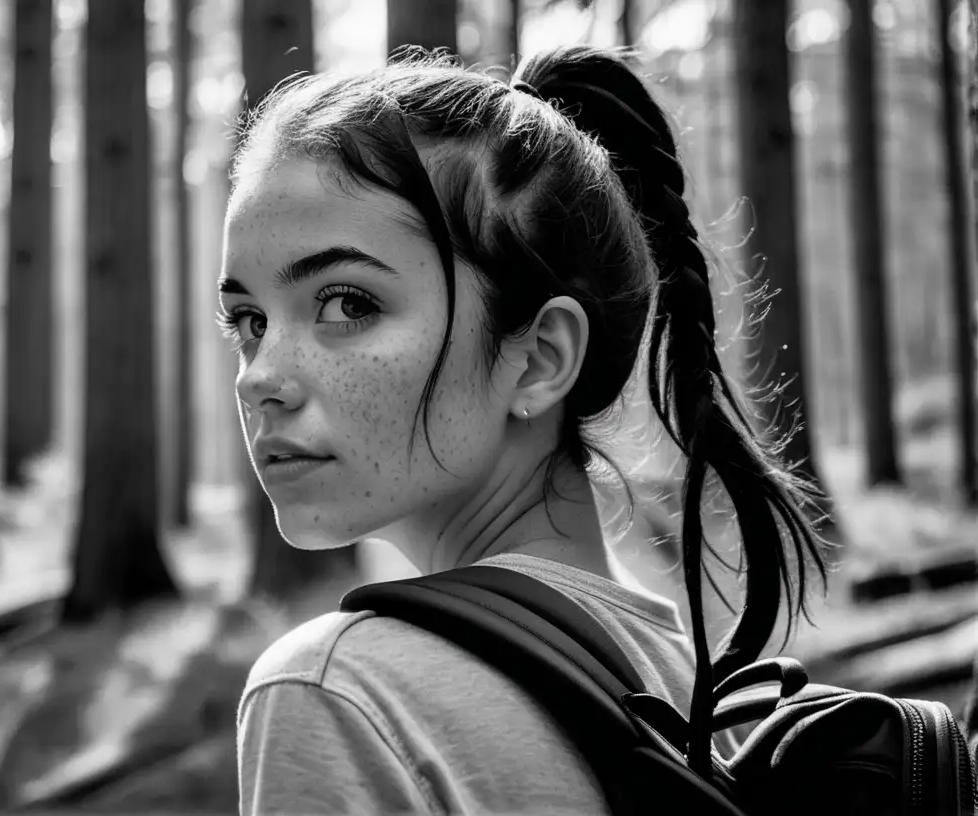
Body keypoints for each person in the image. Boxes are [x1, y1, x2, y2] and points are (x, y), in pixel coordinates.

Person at [217, 46, 830, 816]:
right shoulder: (701, 695)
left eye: (347, 304)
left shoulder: (338, 691)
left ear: (540, 358)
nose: (260, 378)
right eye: (248, 321)